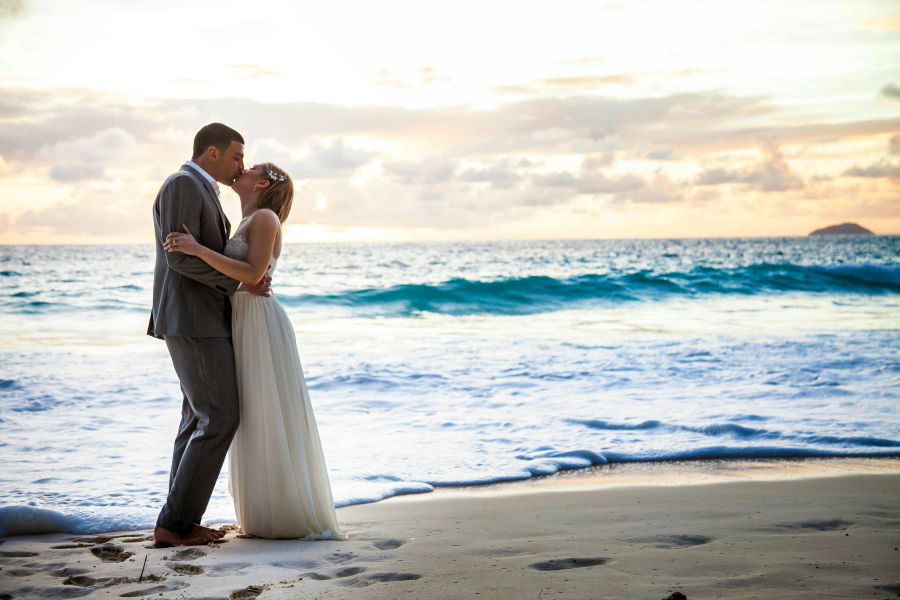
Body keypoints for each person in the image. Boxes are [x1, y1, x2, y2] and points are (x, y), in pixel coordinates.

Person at [164, 161, 344, 540]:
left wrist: (197, 249)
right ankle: (259, 509)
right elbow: (241, 276)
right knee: (250, 414)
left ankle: (280, 510)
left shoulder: (264, 217)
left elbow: (251, 273)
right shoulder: (244, 219)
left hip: (259, 321)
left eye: (251, 167)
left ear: (261, 182)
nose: (241, 169)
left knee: (265, 409)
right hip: (239, 318)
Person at [148, 123, 272, 546]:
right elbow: (179, 256)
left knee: (198, 418)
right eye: (238, 155)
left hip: (200, 317)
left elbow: (203, 254)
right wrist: (239, 285)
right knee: (219, 417)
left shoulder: (202, 189)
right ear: (213, 152)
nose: (241, 163)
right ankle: (175, 523)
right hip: (192, 317)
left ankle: (178, 519)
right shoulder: (183, 184)